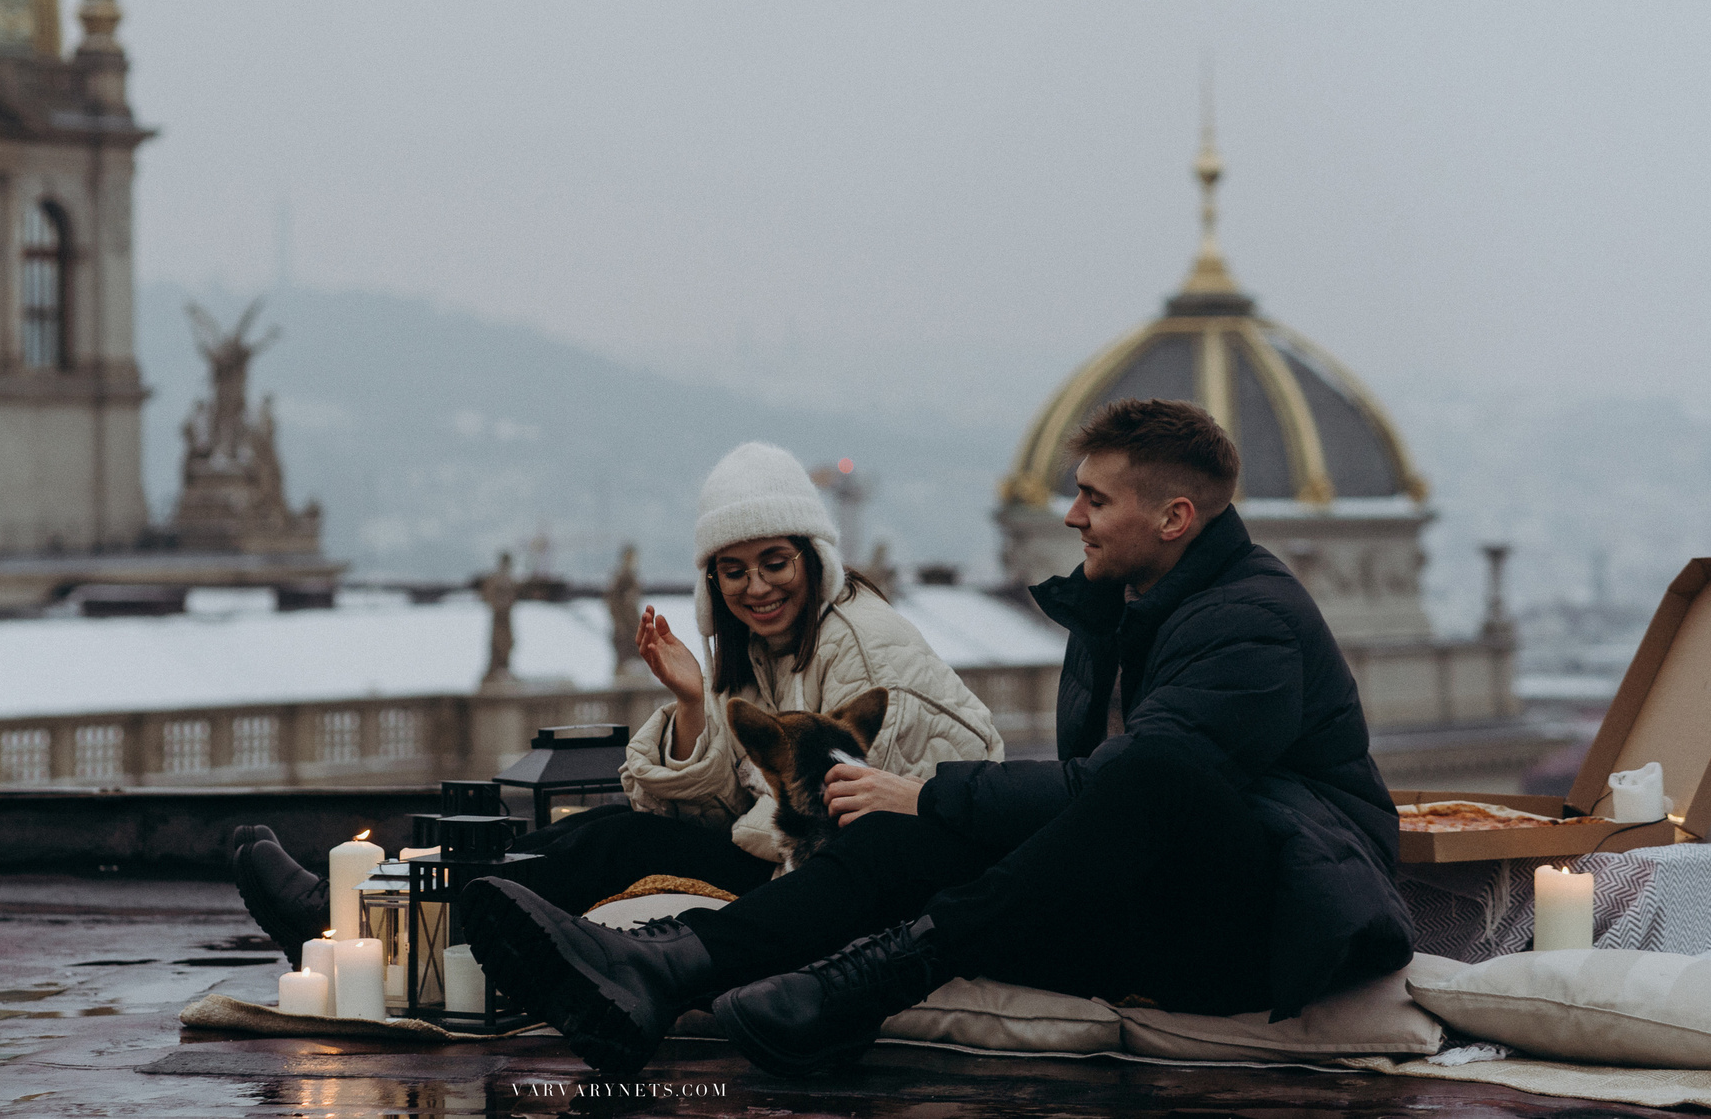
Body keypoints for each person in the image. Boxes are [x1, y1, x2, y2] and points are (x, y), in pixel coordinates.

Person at [458, 399, 1413, 1079]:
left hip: (1263, 930)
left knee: (1149, 773)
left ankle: (870, 977)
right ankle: (667, 971)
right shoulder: (1118, 608)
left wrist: (933, 792)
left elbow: (1134, 783)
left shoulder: (1251, 618)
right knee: (899, 827)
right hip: (1144, 906)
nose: (1071, 515)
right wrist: (916, 808)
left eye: (1093, 498)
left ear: (1174, 517)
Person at [231, 440, 1003, 961]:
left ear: (814, 558)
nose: (756, 586)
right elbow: (738, 798)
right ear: (711, 580)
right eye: (733, 570)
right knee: (595, 828)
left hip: (862, 888)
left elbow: (837, 817)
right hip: (808, 861)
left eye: (774, 562)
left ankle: (374, 928)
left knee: (616, 844)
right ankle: (376, 907)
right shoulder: (760, 648)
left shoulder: (856, 644)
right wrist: (697, 706)